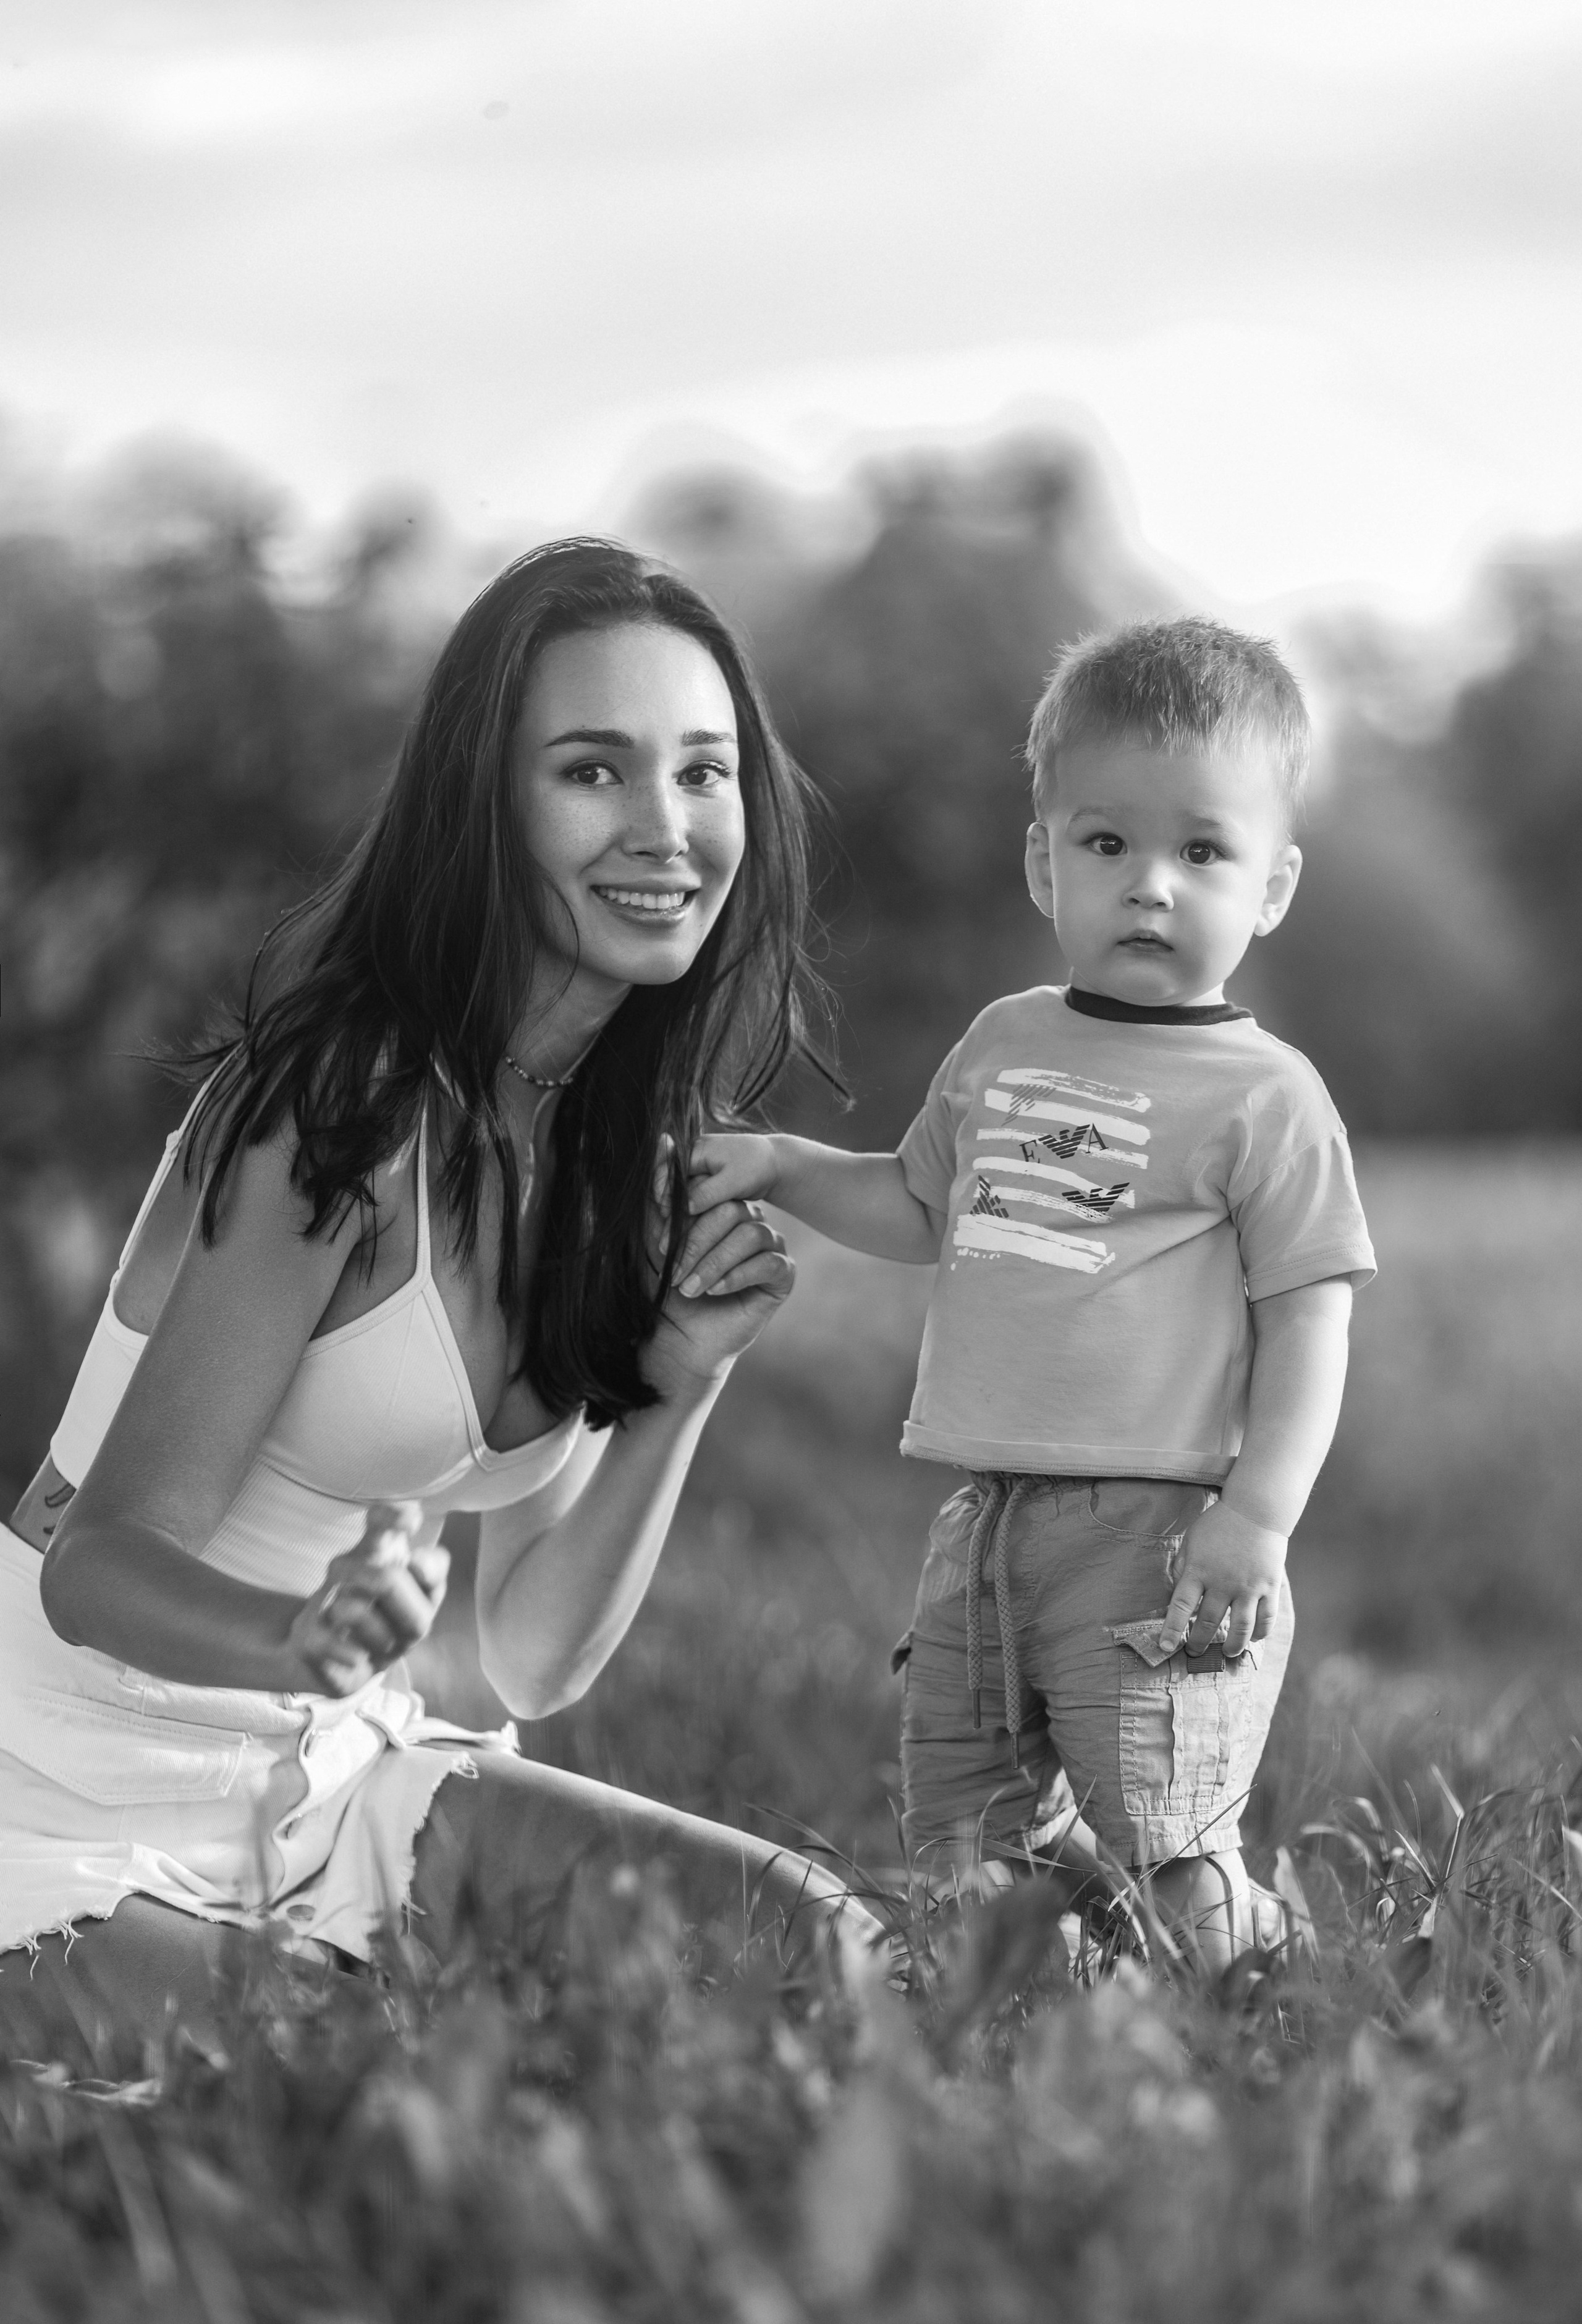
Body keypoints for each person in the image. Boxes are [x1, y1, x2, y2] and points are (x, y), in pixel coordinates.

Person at [0, 537, 881, 2039]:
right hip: (62, 1763)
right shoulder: (335, 1109)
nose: (663, 826)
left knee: (812, 1933)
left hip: (334, 1764)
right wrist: (300, 1640)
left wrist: (676, 1390)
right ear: (483, 802)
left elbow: (527, 1649)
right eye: (592, 770)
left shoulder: (623, 1153)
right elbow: (98, 1567)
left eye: (702, 770)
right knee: (348, 2076)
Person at [684, 616, 1376, 1969]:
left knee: (1165, 1833)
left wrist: (1258, 1516)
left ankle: (1263, 1977)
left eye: (1202, 852)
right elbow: (922, 1206)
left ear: (1273, 885)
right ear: (1043, 861)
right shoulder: (1004, 1041)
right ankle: (1008, 2003)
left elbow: (1310, 1316)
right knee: (963, 1831)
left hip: (1159, 1534)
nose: (1150, 887)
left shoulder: (1268, 1097)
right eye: (1106, 843)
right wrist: (778, 1163)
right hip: (987, 1522)